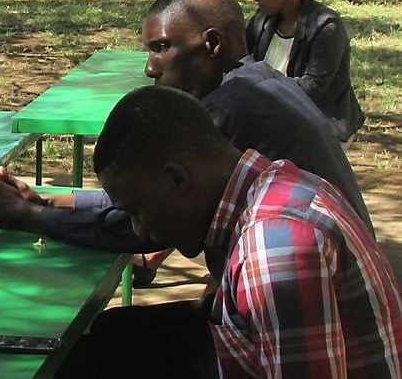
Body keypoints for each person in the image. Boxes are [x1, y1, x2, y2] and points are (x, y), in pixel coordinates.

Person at [0, 0, 372, 268]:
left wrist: (28, 217)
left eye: (162, 48)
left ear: (212, 44)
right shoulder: (259, 84)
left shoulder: (231, 111)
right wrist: (47, 200)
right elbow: (146, 200)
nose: (149, 68)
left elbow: (147, 226)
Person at [55, 85, 402, 379]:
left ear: (178, 178)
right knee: (110, 337)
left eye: (137, 211)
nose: (140, 230)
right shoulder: (276, 183)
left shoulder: (273, 245)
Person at [245, 0, 365, 141]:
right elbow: (241, 61)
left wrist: (258, 88)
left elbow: (311, 88)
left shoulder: (326, 27)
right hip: (275, 118)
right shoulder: (261, 20)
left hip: (320, 126)